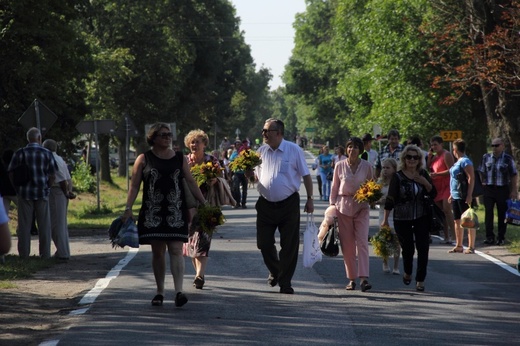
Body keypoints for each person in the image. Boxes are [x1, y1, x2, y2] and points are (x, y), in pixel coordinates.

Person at [122, 123, 206, 307]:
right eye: (163, 135)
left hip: (176, 211)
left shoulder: (179, 158)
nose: (168, 138)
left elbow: (190, 182)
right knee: (158, 252)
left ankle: (178, 291)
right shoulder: (144, 159)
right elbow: (134, 186)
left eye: (169, 135)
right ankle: (160, 291)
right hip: (153, 213)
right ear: (153, 138)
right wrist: (128, 207)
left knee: (176, 250)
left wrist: (203, 202)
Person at [255, 118, 314, 294]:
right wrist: (249, 174)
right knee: (264, 243)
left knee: (289, 245)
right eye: (263, 131)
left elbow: (306, 176)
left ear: (279, 133)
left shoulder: (293, 150)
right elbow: (255, 179)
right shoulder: (260, 152)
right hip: (265, 204)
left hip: (288, 204)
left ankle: (285, 282)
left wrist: (310, 198)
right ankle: (276, 270)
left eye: (267, 131)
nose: (264, 134)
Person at [382, 144, 436, 292]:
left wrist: (425, 183)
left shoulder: (423, 174)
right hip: (402, 217)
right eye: (409, 157)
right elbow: (391, 198)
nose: (412, 160)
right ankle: (407, 271)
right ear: (404, 158)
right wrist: (385, 219)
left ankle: (420, 280)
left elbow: (433, 193)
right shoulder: (398, 177)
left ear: (419, 160)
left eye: (415, 157)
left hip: (422, 216)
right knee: (408, 249)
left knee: (423, 248)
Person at [184, 129, 227, 289]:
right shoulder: (184, 161)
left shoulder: (212, 160)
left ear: (204, 144)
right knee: (190, 242)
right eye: (192, 142)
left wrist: (215, 180)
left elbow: (225, 177)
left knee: (204, 239)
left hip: (208, 205)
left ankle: (199, 275)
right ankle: (198, 274)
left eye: (197, 142)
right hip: (188, 206)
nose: (194, 145)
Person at [330, 137, 374, 292]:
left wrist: (372, 197)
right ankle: (351, 279)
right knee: (347, 246)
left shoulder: (367, 166)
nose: (352, 150)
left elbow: (372, 185)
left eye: (356, 147)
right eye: (349, 147)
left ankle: (364, 278)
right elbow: (334, 187)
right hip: (343, 206)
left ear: (360, 150)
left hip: (362, 207)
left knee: (362, 241)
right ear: (346, 149)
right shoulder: (339, 166)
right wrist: (332, 207)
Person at [8, 127, 56, 259]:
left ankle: (24, 255)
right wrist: (48, 187)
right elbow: (52, 174)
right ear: (39, 138)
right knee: (44, 225)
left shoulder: (20, 153)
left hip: (24, 193)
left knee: (24, 226)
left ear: (28, 138)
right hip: (42, 192)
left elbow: (11, 172)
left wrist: (17, 188)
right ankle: (45, 254)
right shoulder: (47, 153)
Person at [477, 138, 518, 246]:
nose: (494, 148)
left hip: (502, 189)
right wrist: (482, 183)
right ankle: (489, 237)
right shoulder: (486, 157)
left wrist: (514, 190)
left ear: (502, 146)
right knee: (488, 212)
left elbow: (513, 175)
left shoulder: (508, 159)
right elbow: (481, 171)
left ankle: (501, 237)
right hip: (489, 189)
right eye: (492, 145)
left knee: (502, 214)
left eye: (497, 145)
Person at [42, 139, 75, 260]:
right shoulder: (60, 159)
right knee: (60, 223)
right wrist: (68, 191)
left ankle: (62, 253)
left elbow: (61, 179)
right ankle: (62, 250)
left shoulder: (52, 159)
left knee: (56, 224)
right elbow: (68, 178)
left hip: (56, 192)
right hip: (62, 193)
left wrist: (66, 192)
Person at [448, 139, 477, 254]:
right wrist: (451, 194)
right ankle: (459, 245)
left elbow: (471, 178)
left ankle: (471, 246)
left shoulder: (465, 161)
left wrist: (470, 195)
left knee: (468, 220)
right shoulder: (457, 161)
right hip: (455, 195)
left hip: (464, 195)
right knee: (457, 220)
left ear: (455, 149)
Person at [427, 135, 455, 244]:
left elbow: (451, 170)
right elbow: (429, 167)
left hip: (446, 185)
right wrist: (429, 157)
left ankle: (455, 235)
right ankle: (447, 236)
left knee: (447, 210)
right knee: (442, 212)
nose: (434, 147)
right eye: (432, 145)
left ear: (441, 144)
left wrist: (437, 174)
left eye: (436, 145)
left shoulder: (446, 155)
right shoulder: (434, 157)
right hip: (437, 187)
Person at [377, 158, 400, 275]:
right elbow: (374, 199)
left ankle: (396, 266)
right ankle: (385, 262)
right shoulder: (380, 182)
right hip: (383, 213)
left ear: (394, 169)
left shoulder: (398, 181)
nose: (385, 170)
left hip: (396, 214)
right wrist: (380, 200)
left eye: (388, 168)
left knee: (396, 241)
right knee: (384, 240)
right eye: (384, 167)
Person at [229, 140, 248, 208]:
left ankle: (243, 203)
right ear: (235, 146)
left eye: (240, 144)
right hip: (237, 173)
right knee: (236, 188)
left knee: (245, 189)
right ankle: (237, 202)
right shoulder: (234, 154)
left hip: (244, 173)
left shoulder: (245, 153)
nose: (238, 146)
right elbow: (230, 164)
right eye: (237, 145)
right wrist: (230, 175)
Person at [1, 149, 17, 214]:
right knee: (22, 210)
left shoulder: (2, 167)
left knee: (4, 212)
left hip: (4, 192)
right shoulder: (14, 168)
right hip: (14, 192)